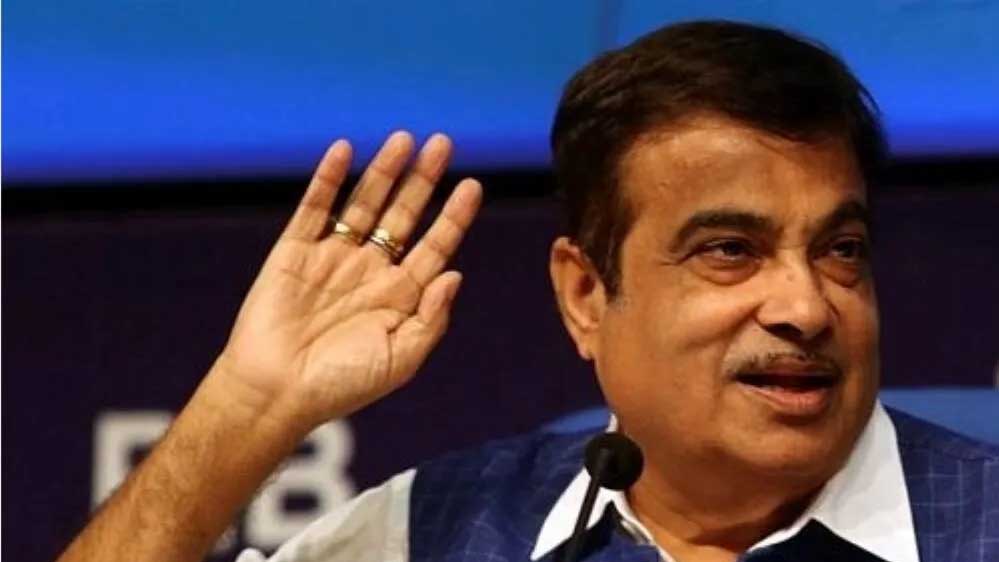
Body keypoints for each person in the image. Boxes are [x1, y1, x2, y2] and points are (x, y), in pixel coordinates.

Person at [57, 20, 998, 562]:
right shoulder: (437, 533)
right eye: (729, 251)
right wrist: (248, 406)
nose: (805, 306)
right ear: (585, 295)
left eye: (840, 250)